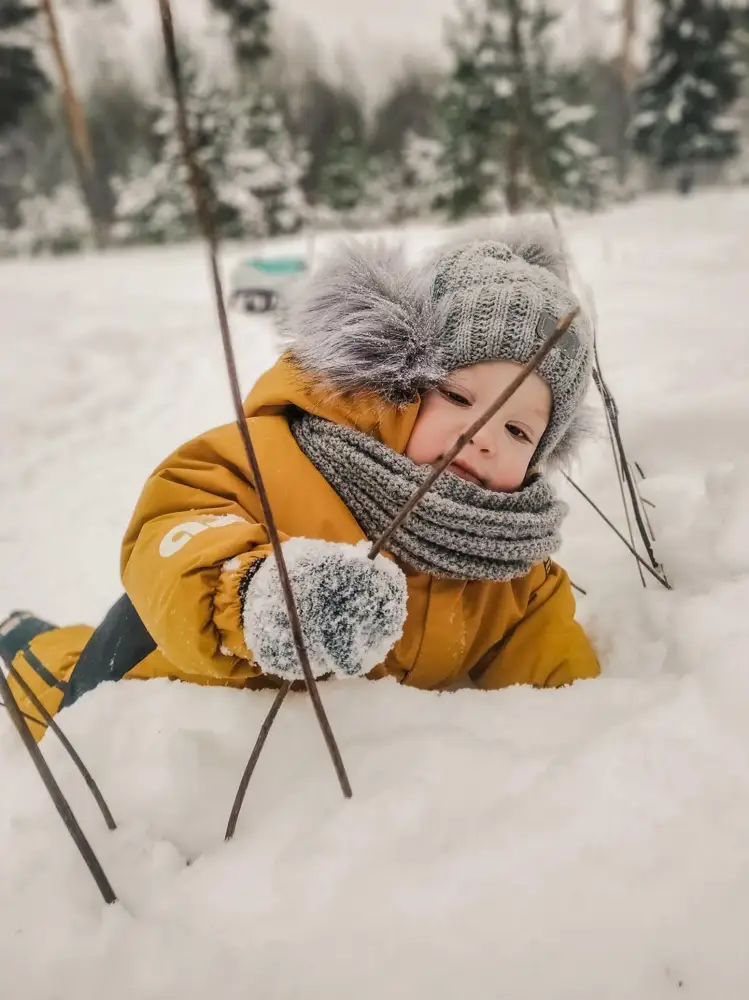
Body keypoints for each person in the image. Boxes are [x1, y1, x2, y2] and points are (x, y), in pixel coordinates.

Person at [0, 220, 599, 742]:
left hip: (286, 789)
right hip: (152, 676)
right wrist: (260, 596)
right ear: (398, 380)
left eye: (520, 431)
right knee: (49, 686)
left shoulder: (508, 569)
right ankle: (19, 639)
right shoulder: (286, 455)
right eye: (459, 395)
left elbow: (564, 689)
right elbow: (175, 526)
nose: (484, 436)